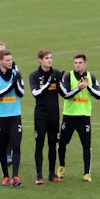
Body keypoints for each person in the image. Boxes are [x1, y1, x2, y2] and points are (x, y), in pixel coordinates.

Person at [57, 54, 100, 183]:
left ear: (85, 64)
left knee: (86, 145)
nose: (77, 65)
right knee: (62, 144)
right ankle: (61, 166)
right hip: (69, 116)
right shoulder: (68, 76)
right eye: (75, 63)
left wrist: (87, 86)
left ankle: (87, 173)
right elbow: (66, 94)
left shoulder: (91, 77)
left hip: (84, 117)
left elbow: (99, 95)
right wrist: (78, 88)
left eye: (80, 63)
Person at [0, 48, 24, 187]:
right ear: (0, 61)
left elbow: (21, 93)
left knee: (16, 145)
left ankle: (15, 175)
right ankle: (5, 176)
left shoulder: (16, 74)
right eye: (7, 60)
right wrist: (10, 86)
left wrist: (16, 84)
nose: (10, 62)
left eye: (11, 60)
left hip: (15, 115)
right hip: (0, 116)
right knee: (2, 148)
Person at [29, 50, 63, 185]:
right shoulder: (34, 75)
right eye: (47, 58)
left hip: (54, 115)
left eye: (51, 58)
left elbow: (64, 94)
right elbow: (36, 93)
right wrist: (50, 82)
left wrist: (60, 81)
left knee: (53, 144)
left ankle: (51, 173)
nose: (50, 60)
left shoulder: (56, 73)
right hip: (41, 115)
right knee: (39, 144)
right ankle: (39, 175)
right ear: (40, 60)